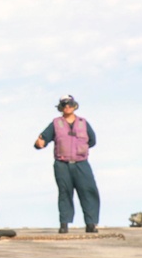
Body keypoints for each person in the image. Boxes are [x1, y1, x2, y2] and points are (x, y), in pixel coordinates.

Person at [34, 95, 100, 234]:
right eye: (64, 105)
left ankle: (91, 223)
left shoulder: (83, 123)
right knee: (64, 193)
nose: (67, 107)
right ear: (60, 107)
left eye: (69, 104)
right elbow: (42, 140)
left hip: (81, 163)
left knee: (88, 192)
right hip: (62, 164)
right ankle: (64, 224)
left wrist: (80, 150)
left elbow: (92, 141)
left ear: (75, 105)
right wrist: (39, 144)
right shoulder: (56, 123)